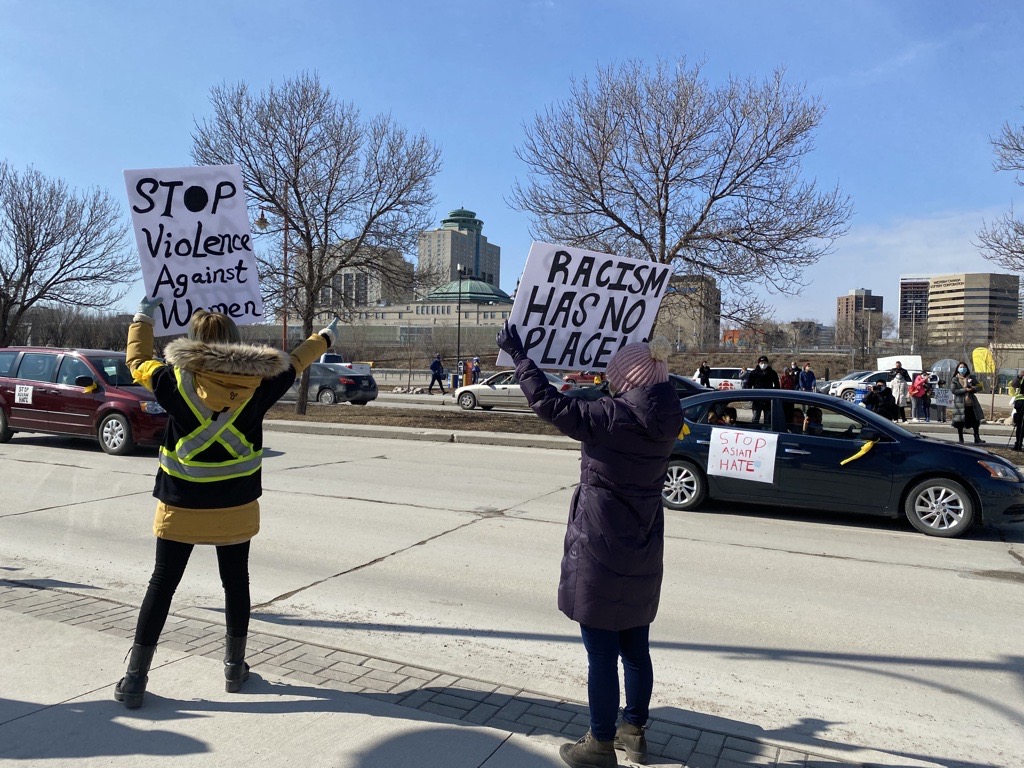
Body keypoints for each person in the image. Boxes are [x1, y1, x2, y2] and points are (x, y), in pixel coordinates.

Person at [114, 297, 338, 709]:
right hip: (236, 504)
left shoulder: (172, 379)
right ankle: (234, 669)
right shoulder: (264, 382)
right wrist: (323, 338)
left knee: (162, 585)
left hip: (180, 502)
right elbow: (296, 361)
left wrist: (143, 317)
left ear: (193, 340)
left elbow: (137, 360)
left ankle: (134, 679)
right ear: (235, 339)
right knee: (236, 584)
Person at [495, 321, 682, 768]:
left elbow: (549, 403)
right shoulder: (667, 417)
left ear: (626, 382)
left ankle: (598, 744)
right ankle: (633, 732)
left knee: (601, 653)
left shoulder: (610, 417)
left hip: (600, 545)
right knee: (635, 649)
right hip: (643, 545)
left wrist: (520, 356)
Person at [951, 362, 985, 444]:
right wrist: (965, 389)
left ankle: (977, 438)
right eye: (960, 367)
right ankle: (961, 439)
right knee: (960, 422)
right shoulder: (955, 379)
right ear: (957, 369)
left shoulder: (971, 377)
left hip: (971, 404)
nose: (962, 369)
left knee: (975, 421)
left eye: (964, 367)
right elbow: (954, 391)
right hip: (960, 404)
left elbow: (979, 387)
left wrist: (973, 388)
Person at [744, 355, 779, 425]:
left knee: (768, 420)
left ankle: (767, 429)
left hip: (768, 399)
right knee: (755, 418)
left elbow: (777, 386)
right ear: (758, 363)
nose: (763, 364)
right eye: (761, 363)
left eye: (765, 362)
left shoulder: (772, 373)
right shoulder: (754, 373)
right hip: (757, 399)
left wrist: (774, 395)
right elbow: (749, 385)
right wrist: (750, 396)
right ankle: (754, 429)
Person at [1012, 387, 1024, 451]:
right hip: (1020, 401)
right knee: (1020, 426)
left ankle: (1018, 445)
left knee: (1020, 427)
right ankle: (1018, 445)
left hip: (1019, 401)